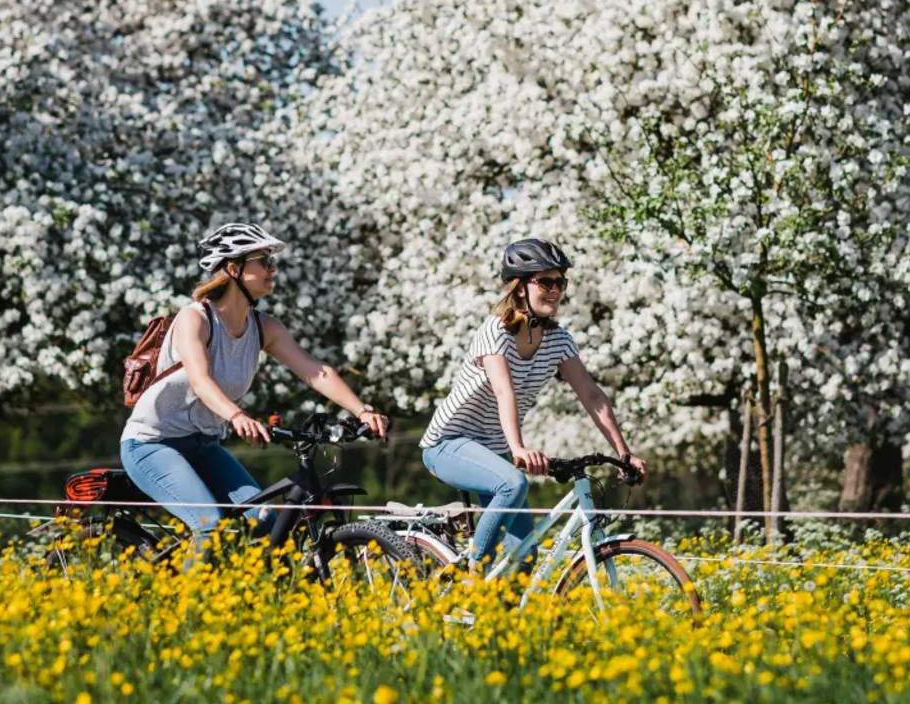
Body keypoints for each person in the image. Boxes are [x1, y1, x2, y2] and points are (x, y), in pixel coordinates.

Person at [120, 222, 389, 552]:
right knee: (209, 527)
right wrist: (236, 416)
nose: (272, 270)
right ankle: (187, 605)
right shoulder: (196, 319)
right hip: (152, 444)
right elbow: (200, 380)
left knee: (265, 522)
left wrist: (362, 410)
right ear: (233, 269)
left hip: (204, 445)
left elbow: (315, 372)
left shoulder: (264, 328)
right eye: (265, 261)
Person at [418, 237, 646, 568]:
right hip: (448, 443)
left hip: (493, 451)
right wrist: (519, 449)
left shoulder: (559, 340)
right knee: (513, 482)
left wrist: (623, 452)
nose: (555, 289)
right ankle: (470, 580)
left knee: (523, 558)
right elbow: (503, 390)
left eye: (560, 282)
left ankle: (496, 616)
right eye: (546, 281)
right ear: (520, 287)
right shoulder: (494, 331)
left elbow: (591, 394)